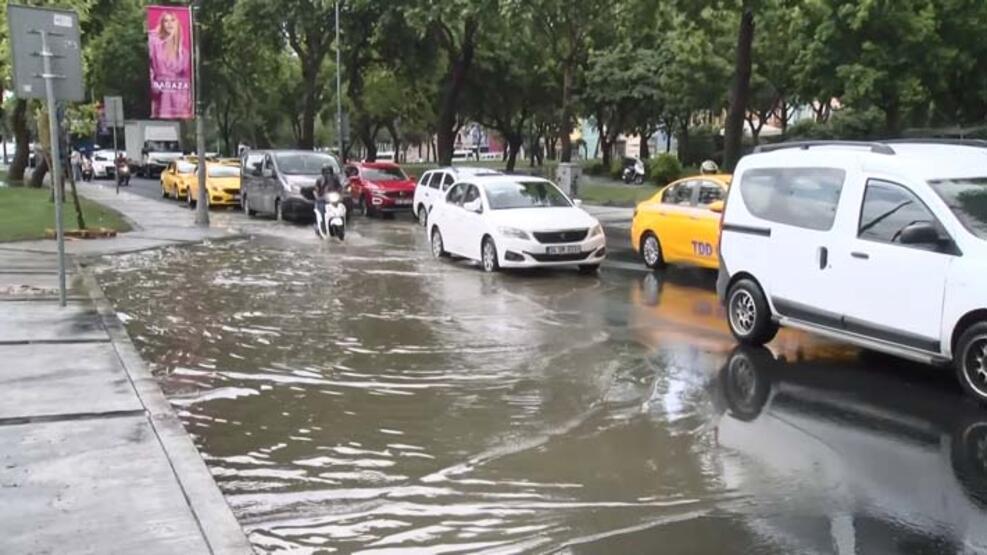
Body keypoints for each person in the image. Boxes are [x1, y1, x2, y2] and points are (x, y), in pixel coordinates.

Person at [149, 11, 191, 119]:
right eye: (166, 21)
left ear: (177, 24)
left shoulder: (184, 53)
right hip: (162, 94)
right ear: (162, 24)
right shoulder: (155, 43)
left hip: (178, 96)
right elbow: (151, 67)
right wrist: (154, 84)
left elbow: (186, 77)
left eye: (172, 20)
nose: (169, 24)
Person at [313, 164, 341, 237]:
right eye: (325, 172)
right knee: (321, 212)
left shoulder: (335, 179)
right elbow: (316, 190)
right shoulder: (320, 180)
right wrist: (318, 196)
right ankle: (321, 227)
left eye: (329, 172)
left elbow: (339, 188)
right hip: (322, 200)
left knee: (340, 210)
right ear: (323, 172)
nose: (327, 174)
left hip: (332, 200)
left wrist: (340, 194)